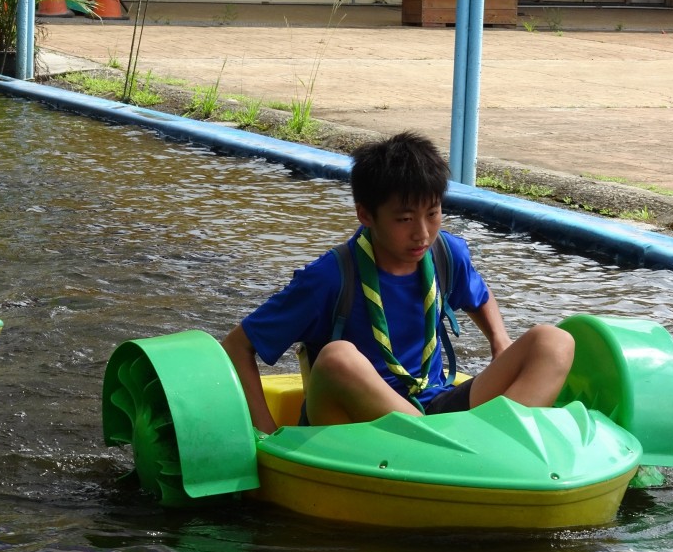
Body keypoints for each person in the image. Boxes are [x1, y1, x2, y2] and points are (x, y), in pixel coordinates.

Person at [221, 131, 575, 434]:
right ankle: (465, 453)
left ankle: (493, 447)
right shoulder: (328, 278)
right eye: (404, 219)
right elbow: (237, 347)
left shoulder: (445, 254)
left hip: (434, 407)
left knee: (554, 341)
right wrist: (265, 436)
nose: (422, 233)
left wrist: (500, 340)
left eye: (433, 213)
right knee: (337, 357)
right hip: (358, 426)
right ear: (365, 214)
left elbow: (479, 296)